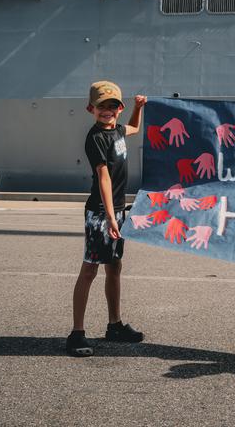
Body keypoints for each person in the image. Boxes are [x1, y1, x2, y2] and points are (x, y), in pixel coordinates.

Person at [67, 80, 147, 357]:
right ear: (92, 108)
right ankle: (76, 333)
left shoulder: (119, 130)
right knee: (89, 270)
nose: (107, 111)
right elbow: (103, 177)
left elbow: (134, 128)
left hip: (116, 211)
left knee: (114, 266)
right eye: (102, 107)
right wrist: (111, 217)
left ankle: (114, 325)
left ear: (119, 109)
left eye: (113, 106)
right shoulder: (96, 138)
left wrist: (138, 108)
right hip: (100, 213)